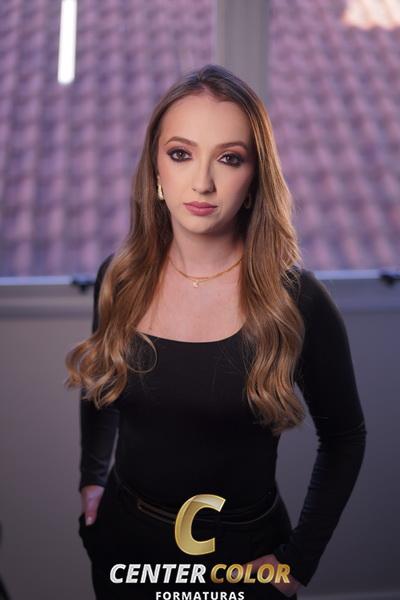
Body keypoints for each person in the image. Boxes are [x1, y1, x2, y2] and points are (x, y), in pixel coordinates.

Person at [65, 64, 367, 600]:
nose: (202, 182)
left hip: (241, 561)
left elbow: (345, 436)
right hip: (124, 550)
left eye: (229, 158)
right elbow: (100, 385)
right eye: (181, 153)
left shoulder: (296, 299)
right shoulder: (120, 277)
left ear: (255, 177)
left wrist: (297, 563)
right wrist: (93, 477)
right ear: (155, 169)